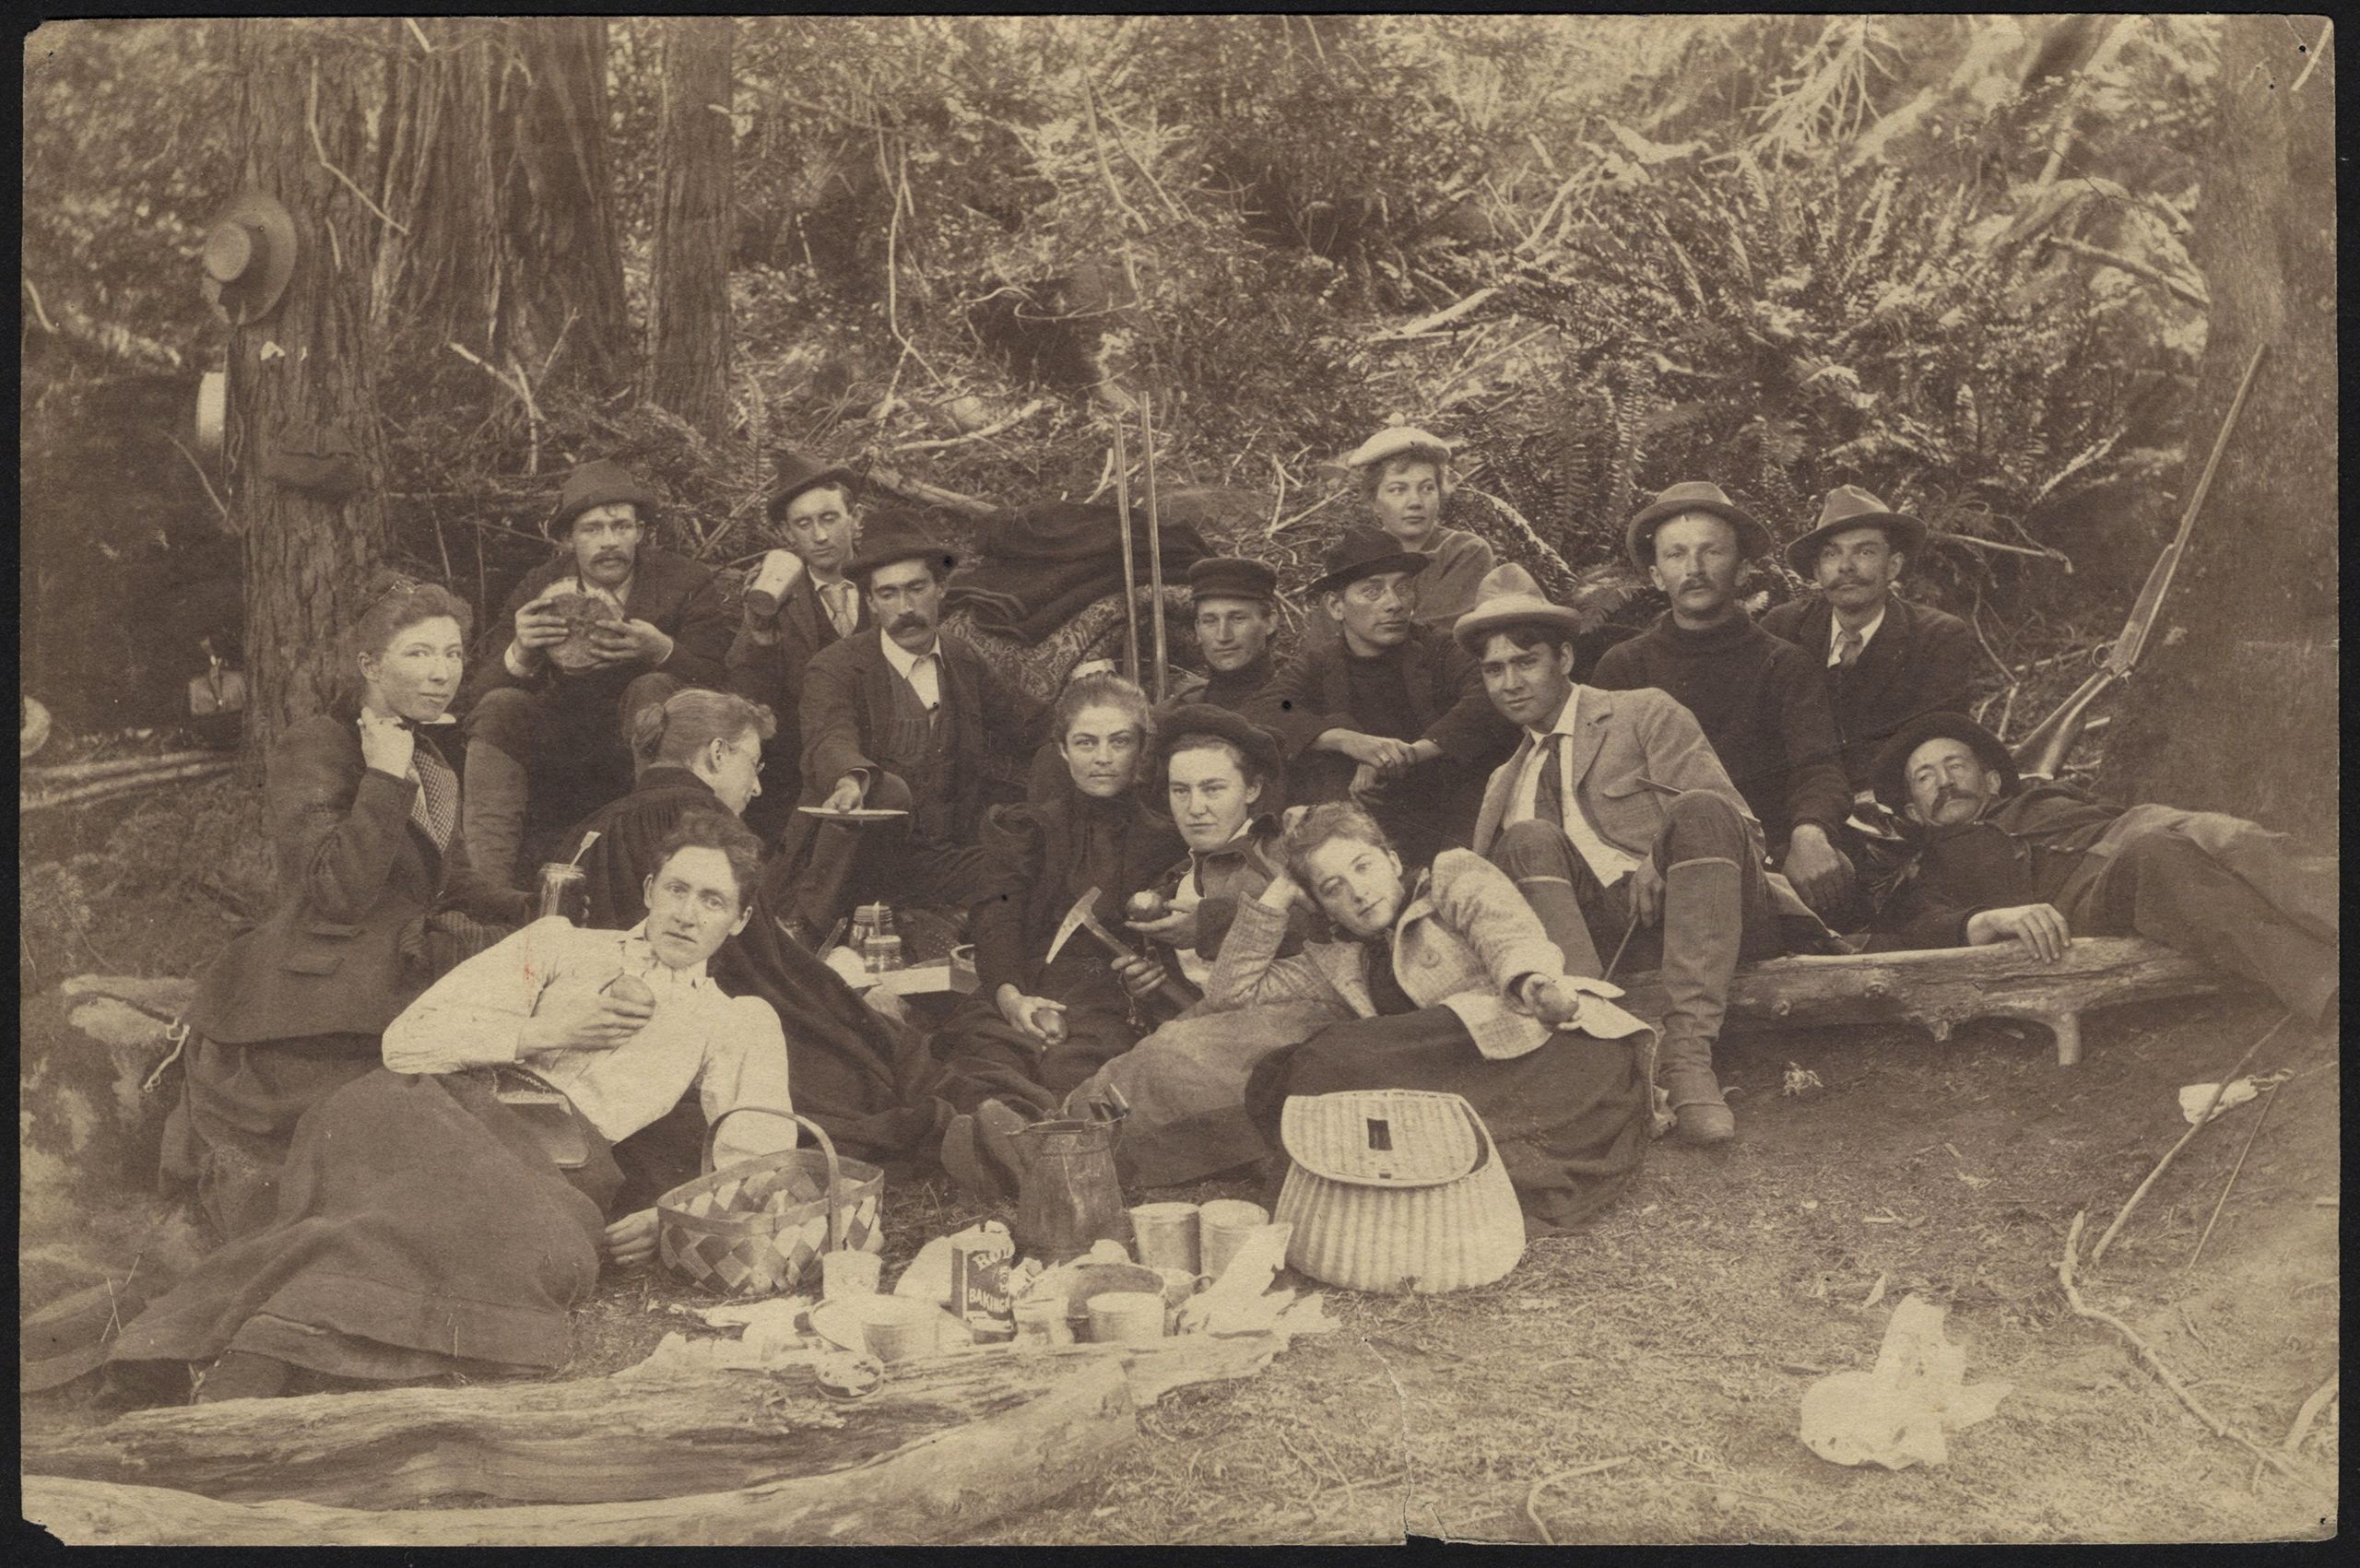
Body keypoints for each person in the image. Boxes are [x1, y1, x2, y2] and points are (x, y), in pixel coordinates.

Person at [110, 814, 796, 1404]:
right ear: (648, 890)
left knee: (538, 1246)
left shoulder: (734, 1019)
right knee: (415, 1201)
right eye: (675, 888)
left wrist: (676, 1214)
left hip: (550, 1159)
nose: (685, 911)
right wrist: (550, 1030)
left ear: (738, 919)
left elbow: (761, 1154)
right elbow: (407, 1042)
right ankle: (260, 1362)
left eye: (711, 900)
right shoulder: (558, 945)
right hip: (433, 1107)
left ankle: (252, 1346)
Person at [159, 570, 530, 1243]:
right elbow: (332, 892)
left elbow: (450, 873)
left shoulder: (426, 746)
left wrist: (534, 910)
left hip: (400, 958)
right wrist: (384, 777)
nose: (441, 672)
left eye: (451, 653)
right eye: (418, 653)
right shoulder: (320, 743)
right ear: (369, 663)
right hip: (324, 991)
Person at [558, 688, 1011, 1167]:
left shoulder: (592, 826)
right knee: (880, 1063)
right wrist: (849, 1010)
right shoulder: (703, 827)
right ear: (716, 754)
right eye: (753, 765)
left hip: (590, 1044)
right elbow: (763, 971)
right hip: (697, 1035)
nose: (755, 789)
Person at [1455, 564, 1800, 1145]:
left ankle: (1687, 1059)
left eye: (1525, 661)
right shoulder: (1501, 784)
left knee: (1700, 808)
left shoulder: (1641, 712)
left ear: (1564, 659)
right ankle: (1603, 1053)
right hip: (1597, 949)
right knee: (1526, 840)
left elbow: (1738, 827)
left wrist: (1658, 858)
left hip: (1702, 908)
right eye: (1494, 669)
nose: (1510, 682)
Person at [1224, 804, 1658, 1232]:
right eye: (1333, 888)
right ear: (1323, 907)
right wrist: (1281, 890)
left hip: (1550, 1050)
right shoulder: (1335, 962)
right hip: (1470, 1085)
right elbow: (1231, 989)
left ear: (1392, 861)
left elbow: (1505, 933)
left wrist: (1532, 983)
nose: (1357, 892)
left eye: (1363, 867)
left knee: (1330, 1055)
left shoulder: (1448, 878)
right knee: (1272, 1077)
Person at [1862, 713, 2337, 1024]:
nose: (1945, 781)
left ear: (1989, 780)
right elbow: (1912, 929)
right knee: (2155, 854)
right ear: (1913, 813)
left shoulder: (2047, 798)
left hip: (2126, 829)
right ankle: (2330, 989)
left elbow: (2117, 816)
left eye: (1955, 766)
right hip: (2086, 892)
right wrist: (1988, 919)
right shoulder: (1926, 868)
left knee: (2235, 837)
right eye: (1926, 778)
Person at [1030, 706, 1335, 1190]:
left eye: (1213, 789)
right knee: (1114, 1070)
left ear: (1251, 790)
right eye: (1181, 791)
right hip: (1212, 1028)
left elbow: (1333, 916)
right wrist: (1150, 983)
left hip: (1297, 1022)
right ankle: (1046, 1147)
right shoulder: (1173, 876)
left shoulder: (1283, 850)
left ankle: (1054, 1159)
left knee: (1167, 1060)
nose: (1196, 808)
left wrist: (1211, 923)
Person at [770, 510, 1043, 943]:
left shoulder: (962, 659)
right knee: (886, 788)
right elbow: (829, 736)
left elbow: (1030, 726)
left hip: (941, 859)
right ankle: (801, 935)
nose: (906, 609)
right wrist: (849, 780)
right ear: (872, 602)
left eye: (917, 589)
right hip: (856, 862)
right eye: (889, 594)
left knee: (1028, 872)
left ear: (942, 589)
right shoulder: (836, 667)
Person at [460, 458, 735, 890]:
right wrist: (522, 651)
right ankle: (487, 892)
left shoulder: (685, 581)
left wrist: (660, 650)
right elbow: (476, 698)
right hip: (562, 749)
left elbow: (719, 682)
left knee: (654, 688)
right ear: (569, 539)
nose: (609, 541)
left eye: (621, 526)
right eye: (592, 529)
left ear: (641, 533)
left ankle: (658, 877)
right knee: (500, 708)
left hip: (646, 748)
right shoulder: (539, 586)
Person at [1591, 481, 1856, 922]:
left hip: (1762, 858)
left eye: (1711, 552)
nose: (1693, 568)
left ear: (1743, 568)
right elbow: (1605, 788)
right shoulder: (1623, 667)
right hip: (1648, 861)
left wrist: (1810, 832)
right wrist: (1651, 854)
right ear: (1656, 575)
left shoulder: (1783, 663)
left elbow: (1819, 767)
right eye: (1675, 555)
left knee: (1834, 878)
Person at [1264, 525, 1514, 867]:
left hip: (1450, 811)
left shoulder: (1439, 649)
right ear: (1336, 606)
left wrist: (1404, 755)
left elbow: (1487, 697)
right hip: (1367, 822)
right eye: (1372, 591)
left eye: (1403, 588)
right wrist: (1347, 740)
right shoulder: (1319, 663)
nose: (1394, 604)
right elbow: (1268, 708)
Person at [1760, 486, 1975, 793]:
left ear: (1893, 566)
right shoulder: (1784, 628)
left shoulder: (1938, 638)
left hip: (1895, 803)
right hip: (1799, 803)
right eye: (1831, 553)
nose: (1846, 567)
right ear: (1817, 572)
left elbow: (1935, 746)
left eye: (1865, 551)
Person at [726, 450, 871, 842]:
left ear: (854, 518)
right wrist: (760, 636)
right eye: (803, 524)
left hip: (878, 754)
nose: (820, 536)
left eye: (829, 518)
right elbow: (746, 696)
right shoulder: (773, 592)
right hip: (799, 762)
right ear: (788, 533)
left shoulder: (887, 582)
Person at [1186, 556, 1291, 720]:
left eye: (1238, 619)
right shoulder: (1177, 711)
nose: (1223, 636)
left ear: (1270, 622)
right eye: (1210, 621)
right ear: (1198, 630)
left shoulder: (1297, 705)